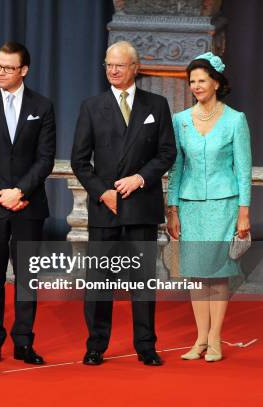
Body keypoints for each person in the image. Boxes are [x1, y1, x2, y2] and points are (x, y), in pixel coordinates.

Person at [71, 40, 176, 366]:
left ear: (134, 67)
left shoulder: (156, 105)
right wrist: (103, 192)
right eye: (108, 65)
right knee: (99, 281)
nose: (113, 70)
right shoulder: (92, 106)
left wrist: (139, 178)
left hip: (141, 205)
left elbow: (166, 153)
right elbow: (80, 160)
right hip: (106, 208)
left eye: (119, 65)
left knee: (143, 280)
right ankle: (95, 345)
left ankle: (146, 345)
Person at [167, 52, 251, 363]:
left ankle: (215, 337)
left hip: (224, 206)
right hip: (190, 206)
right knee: (196, 274)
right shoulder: (180, 121)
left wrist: (244, 212)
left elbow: (243, 170)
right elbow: (176, 168)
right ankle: (200, 338)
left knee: (218, 274)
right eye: (192, 82)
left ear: (216, 82)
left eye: (202, 80)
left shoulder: (235, 120)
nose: (197, 86)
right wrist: (172, 209)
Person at [0, 42, 56, 365]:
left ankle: (24, 341)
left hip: (29, 205)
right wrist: (2, 193)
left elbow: (45, 158)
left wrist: (20, 191)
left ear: (24, 70)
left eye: (8, 68)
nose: (1, 72)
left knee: (26, 278)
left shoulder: (43, 106)